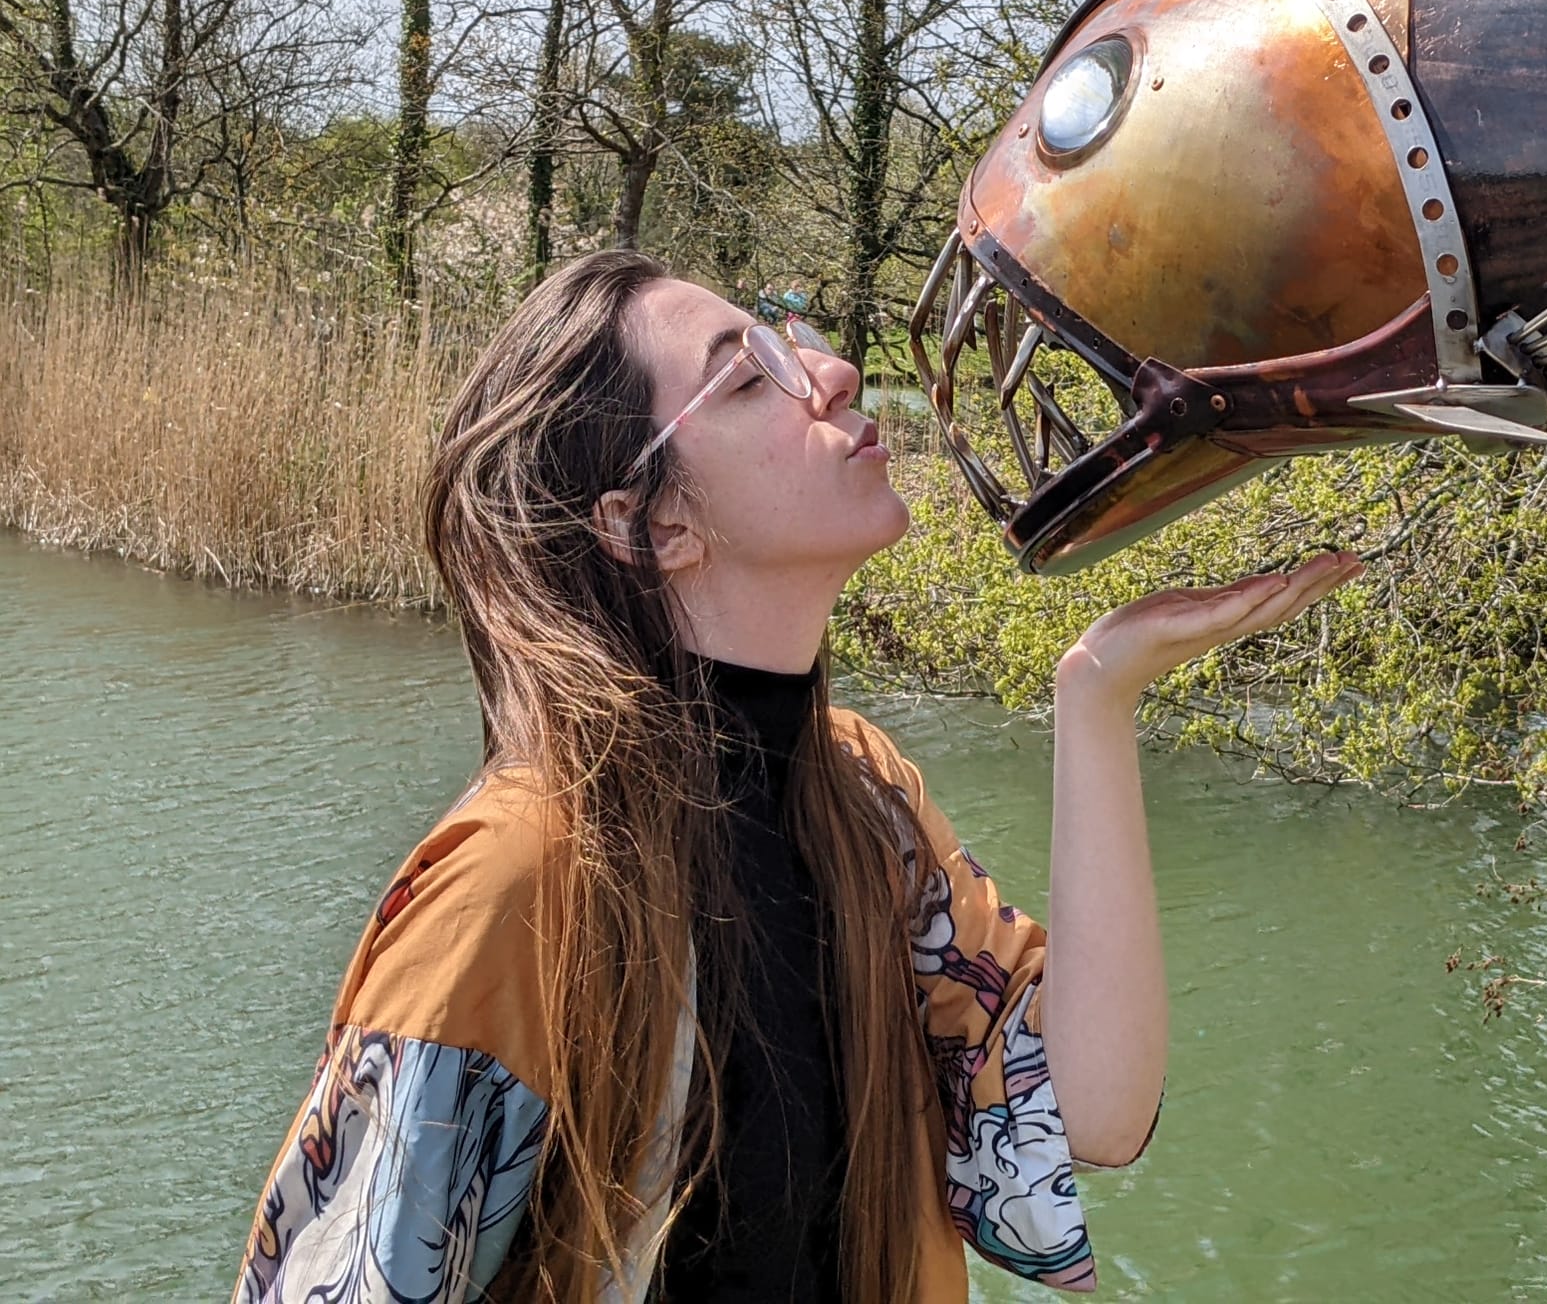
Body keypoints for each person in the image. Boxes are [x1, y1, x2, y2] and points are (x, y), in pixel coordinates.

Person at [232, 250, 1359, 1304]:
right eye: (746, 382)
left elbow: (1091, 1114)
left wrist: (1100, 696)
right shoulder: (521, 885)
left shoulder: (863, 799)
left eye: (788, 341)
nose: (832, 372)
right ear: (647, 522)